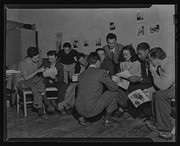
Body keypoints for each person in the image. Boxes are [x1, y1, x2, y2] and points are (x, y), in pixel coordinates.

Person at [75, 52, 119, 127]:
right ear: (98, 62)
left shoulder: (81, 75)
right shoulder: (101, 72)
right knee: (113, 92)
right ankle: (108, 119)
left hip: (79, 109)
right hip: (92, 109)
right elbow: (114, 87)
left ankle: (84, 118)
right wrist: (115, 81)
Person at [143, 47, 175, 139]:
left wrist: (153, 72)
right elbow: (161, 84)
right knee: (156, 94)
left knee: (160, 95)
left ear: (156, 59)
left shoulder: (171, 64)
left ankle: (165, 129)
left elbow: (163, 86)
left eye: (151, 60)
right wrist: (149, 90)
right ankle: (157, 122)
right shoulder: (162, 65)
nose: (150, 63)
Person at [16, 47, 55, 119]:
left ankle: (40, 110)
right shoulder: (23, 63)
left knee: (36, 87)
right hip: (22, 83)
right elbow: (26, 78)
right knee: (38, 79)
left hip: (33, 82)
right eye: (35, 58)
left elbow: (34, 76)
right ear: (29, 57)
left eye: (38, 58)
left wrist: (44, 70)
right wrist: (37, 71)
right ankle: (46, 102)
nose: (37, 60)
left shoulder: (35, 62)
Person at [40, 50, 68, 115]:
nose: (51, 61)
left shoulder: (60, 66)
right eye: (49, 59)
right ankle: (47, 105)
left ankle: (59, 105)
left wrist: (54, 78)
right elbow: (39, 72)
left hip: (56, 81)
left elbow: (61, 78)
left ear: (56, 57)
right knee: (40, 84)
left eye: (52, 59)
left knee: (64, 86)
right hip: (46, 81)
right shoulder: (45, 62)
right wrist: (43, 70)